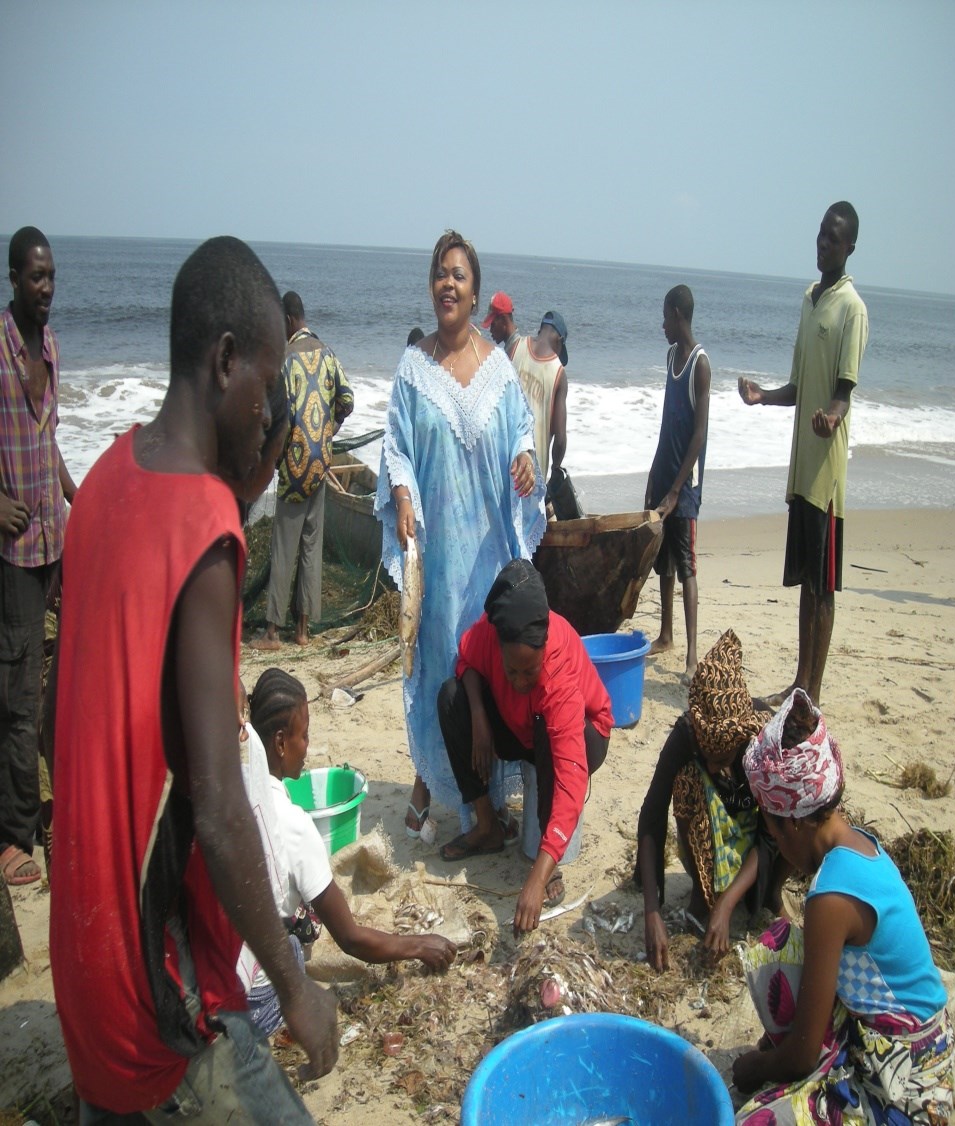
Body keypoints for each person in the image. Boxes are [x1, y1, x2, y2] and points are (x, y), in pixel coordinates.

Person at [46, 237, 338, 1122]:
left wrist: (249, 467)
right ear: (223, 360)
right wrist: (295, 988)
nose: (269, 411)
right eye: (267, 382)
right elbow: (213, 801)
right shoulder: (207, 530)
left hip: (82, 948)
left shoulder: (102, 481)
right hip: (155, 986)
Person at [375, 231, 545, 840]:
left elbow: (522, 430)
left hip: (489, 550)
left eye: (460, 276)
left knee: (490, 662)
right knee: (439, 660)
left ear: (474, 293)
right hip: (441, 554)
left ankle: (487, 799)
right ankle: (431, 780)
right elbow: (396, 445)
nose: (448, 283)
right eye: (440, 274)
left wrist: (525, 458)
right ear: (431, 286)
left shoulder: (499, 369)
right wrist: (400, 498)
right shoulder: (413, 367)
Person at [733, 689, 954, 1123]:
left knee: (755, 1118)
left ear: (793, 820)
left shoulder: (830, 899)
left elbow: (802, 1053)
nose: (777, 844)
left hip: (908, 1076)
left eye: (774, 834)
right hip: (926, 1041)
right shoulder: (861, 847)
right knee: (780, 945)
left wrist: (754, 1068)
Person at [238, 668, 456, 1034]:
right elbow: (351, 939)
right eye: (303, 736)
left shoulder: (233, 792)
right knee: (293, 947)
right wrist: (419, 945)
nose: (307, 746)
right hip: (248, 1000)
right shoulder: (292, 824)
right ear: (279, 743)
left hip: (214, 971)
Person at [738, 202, 868, 706]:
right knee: (805, 585)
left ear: (849, 247)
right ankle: (799, 681)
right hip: (801, 469)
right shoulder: (810, 299)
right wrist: (762, 397)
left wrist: (832, 417)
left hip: (827, 477)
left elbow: (844, 388)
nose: (823, 244)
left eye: (832, 239)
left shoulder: (852, 308)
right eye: (819, 235)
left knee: (824, 586)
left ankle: (812, 692)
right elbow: (800, 386)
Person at [437, 560, 611, 935]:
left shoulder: (559, 673)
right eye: (510, 670)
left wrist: (535, 878)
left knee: (551, 736)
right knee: (451, 697)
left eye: (528, 672)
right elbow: (465, 661)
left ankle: (547, 862)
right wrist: (480, 717)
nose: (518, 680)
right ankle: (487, 827)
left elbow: (570, 782)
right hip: (519, 727)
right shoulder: (489, 631)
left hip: (582, 735)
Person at [635, 629, 787, 971]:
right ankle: (703, 895)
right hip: (712, 834)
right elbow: (651, 817)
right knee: (687, 781)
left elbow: (770, 834)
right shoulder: (687, 733)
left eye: (724, 758)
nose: (717, 767)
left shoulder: (762, 739)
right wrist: (652, 910)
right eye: (710, 757)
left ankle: (769, 893)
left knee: (795, 806)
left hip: (758, 843)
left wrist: (728, 903)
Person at [0, 226, 77, 888]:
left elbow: (47, 439)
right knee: (18, 690)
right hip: (13, 549)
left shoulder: (49, 345)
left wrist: (82, 497)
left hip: (54, 537)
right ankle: (13, 835)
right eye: (34, 277)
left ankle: (52, 809)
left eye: (51, 277)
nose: (45, 289)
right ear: (13, 279)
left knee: (61, 679)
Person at [252, 290, 354, 650]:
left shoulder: (286, 359)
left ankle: (271, 632)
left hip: (295, 467)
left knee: (284, 547)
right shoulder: (327, 353)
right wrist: (328, 431)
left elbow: (280, 418)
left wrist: (272, 458)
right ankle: (304, 630)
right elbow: (347, 399)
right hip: (321, 463)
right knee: (312, 546)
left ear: (288, 321)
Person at [644, 285, 711, 684]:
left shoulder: (700, 365)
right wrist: (655, 478)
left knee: (686, 565)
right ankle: (666, 634)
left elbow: (698, 434)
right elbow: (667, 424)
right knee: (663, 563)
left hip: (684, 487)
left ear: (678, 314)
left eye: (665, 317)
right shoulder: (671, 357)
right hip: (664, 474)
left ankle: (690, 656)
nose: (663, 324)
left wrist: (675, 490)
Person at [509, 311, 569, 482]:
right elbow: (560, 438)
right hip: (531, 476)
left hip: (503, 459)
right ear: (559, 340)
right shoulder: (558, 373)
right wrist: (555, 469)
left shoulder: (515, 347)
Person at [481, 290, 520, 356]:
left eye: (493, 325)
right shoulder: (517, 345)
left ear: (503, 320)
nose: (490, 330)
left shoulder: (512, 354)